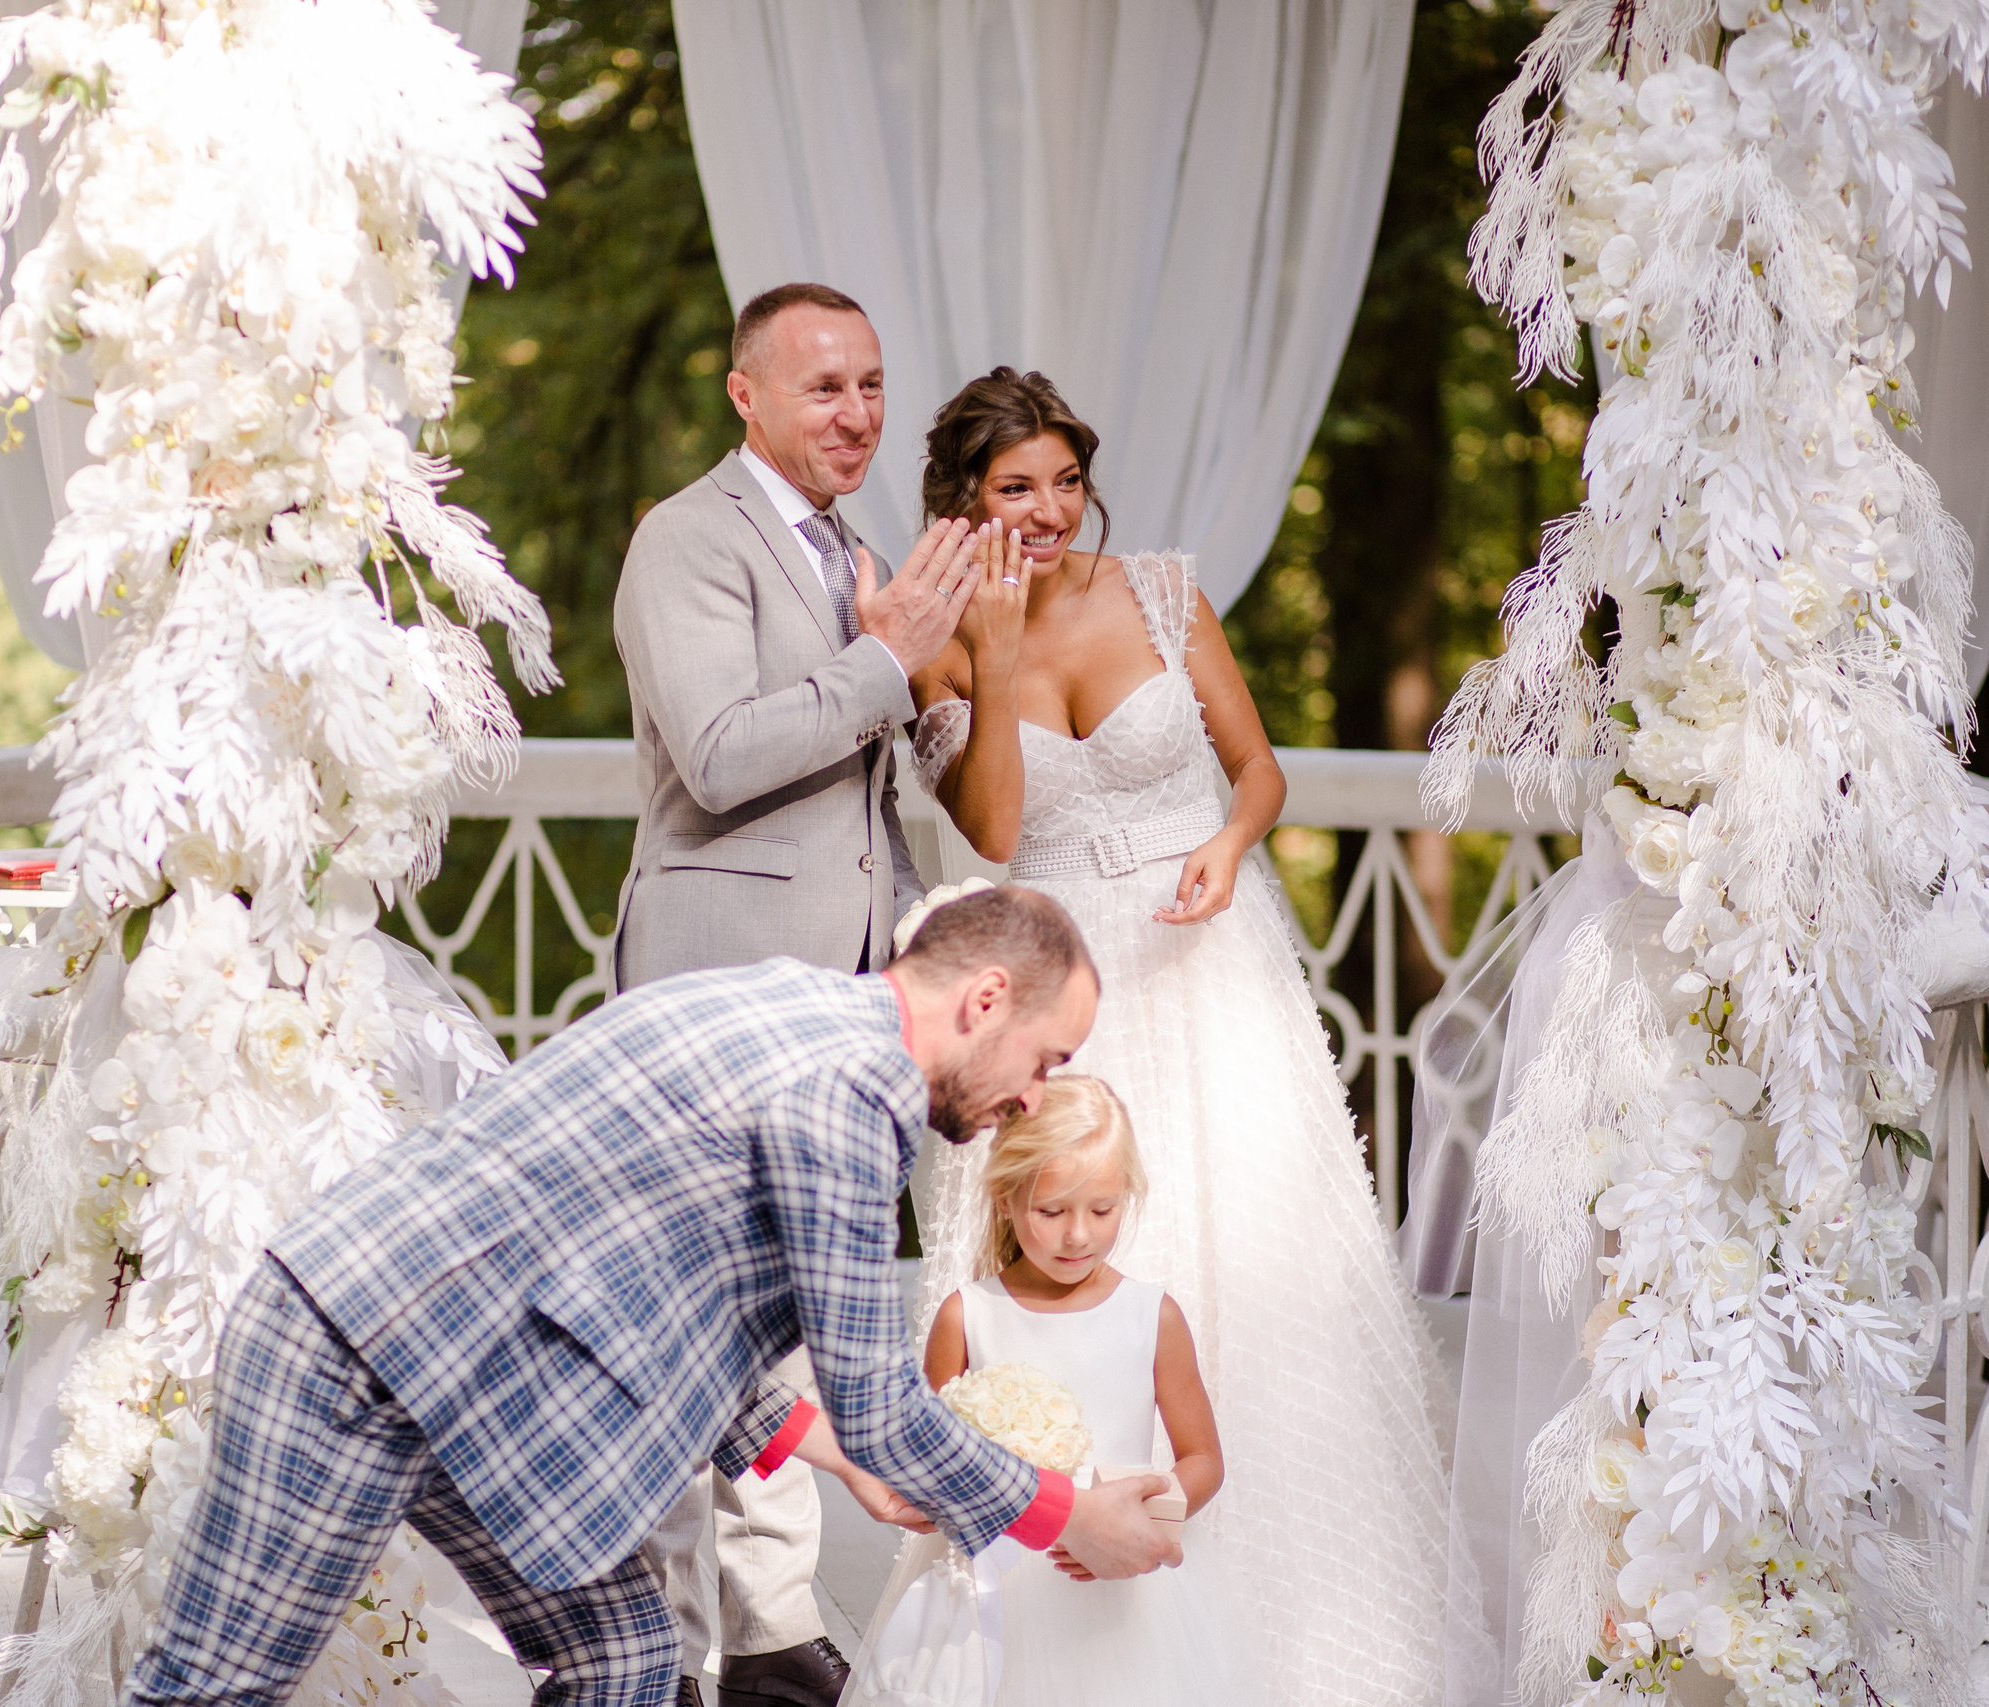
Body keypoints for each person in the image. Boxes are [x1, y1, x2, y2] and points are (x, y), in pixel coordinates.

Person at [122, 886, 1188, 1707]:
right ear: (985, 997)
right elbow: (880, 1404)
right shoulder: (852, 1093)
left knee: (621, 1653)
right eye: (1045, 1059)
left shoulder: (801, 1009)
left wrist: (844, 1463)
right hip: (354, 1344)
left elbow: (671, 1306)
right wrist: (1069, 1516)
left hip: (460, 1362)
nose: (1032, 1097)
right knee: (209, 1692)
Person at [902, 368, 1450, 1706]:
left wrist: (1227, 839)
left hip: (1209, 960)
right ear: (966, 503)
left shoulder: (1160, 588)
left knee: (1254, 1277)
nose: (1045, 510)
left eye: (1062, 481)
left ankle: (1299, 1639)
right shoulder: (943, 640)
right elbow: (988, 827)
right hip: (1055, 994)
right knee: (1075, 1259)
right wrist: (1003, 643)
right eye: (1011, 488)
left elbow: (1259, 764)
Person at [610, 281, 985, 1707]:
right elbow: (716, 752)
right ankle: (667, 1646)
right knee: (694, 1310)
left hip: (846, 984)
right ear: (745, 393)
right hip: (720, 973)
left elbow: (871, 760)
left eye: (874, 385)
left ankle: (770, 1632)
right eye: (824, 385)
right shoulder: (687, 540)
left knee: (781, 1303)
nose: (858, 413)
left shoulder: (858, 549)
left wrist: (943, 690)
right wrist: (887, 660)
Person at [845, 1076, 1257, 1707]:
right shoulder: (967, 1315)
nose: (1077, 1236)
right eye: (1052, 1210)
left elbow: (1203, 1459)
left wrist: (1143, 1518)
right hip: (993, 1588)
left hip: (1120, 1589)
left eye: (1102, 1209)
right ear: (1006, 1200)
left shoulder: (1153, 1316)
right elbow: (920, 1456)